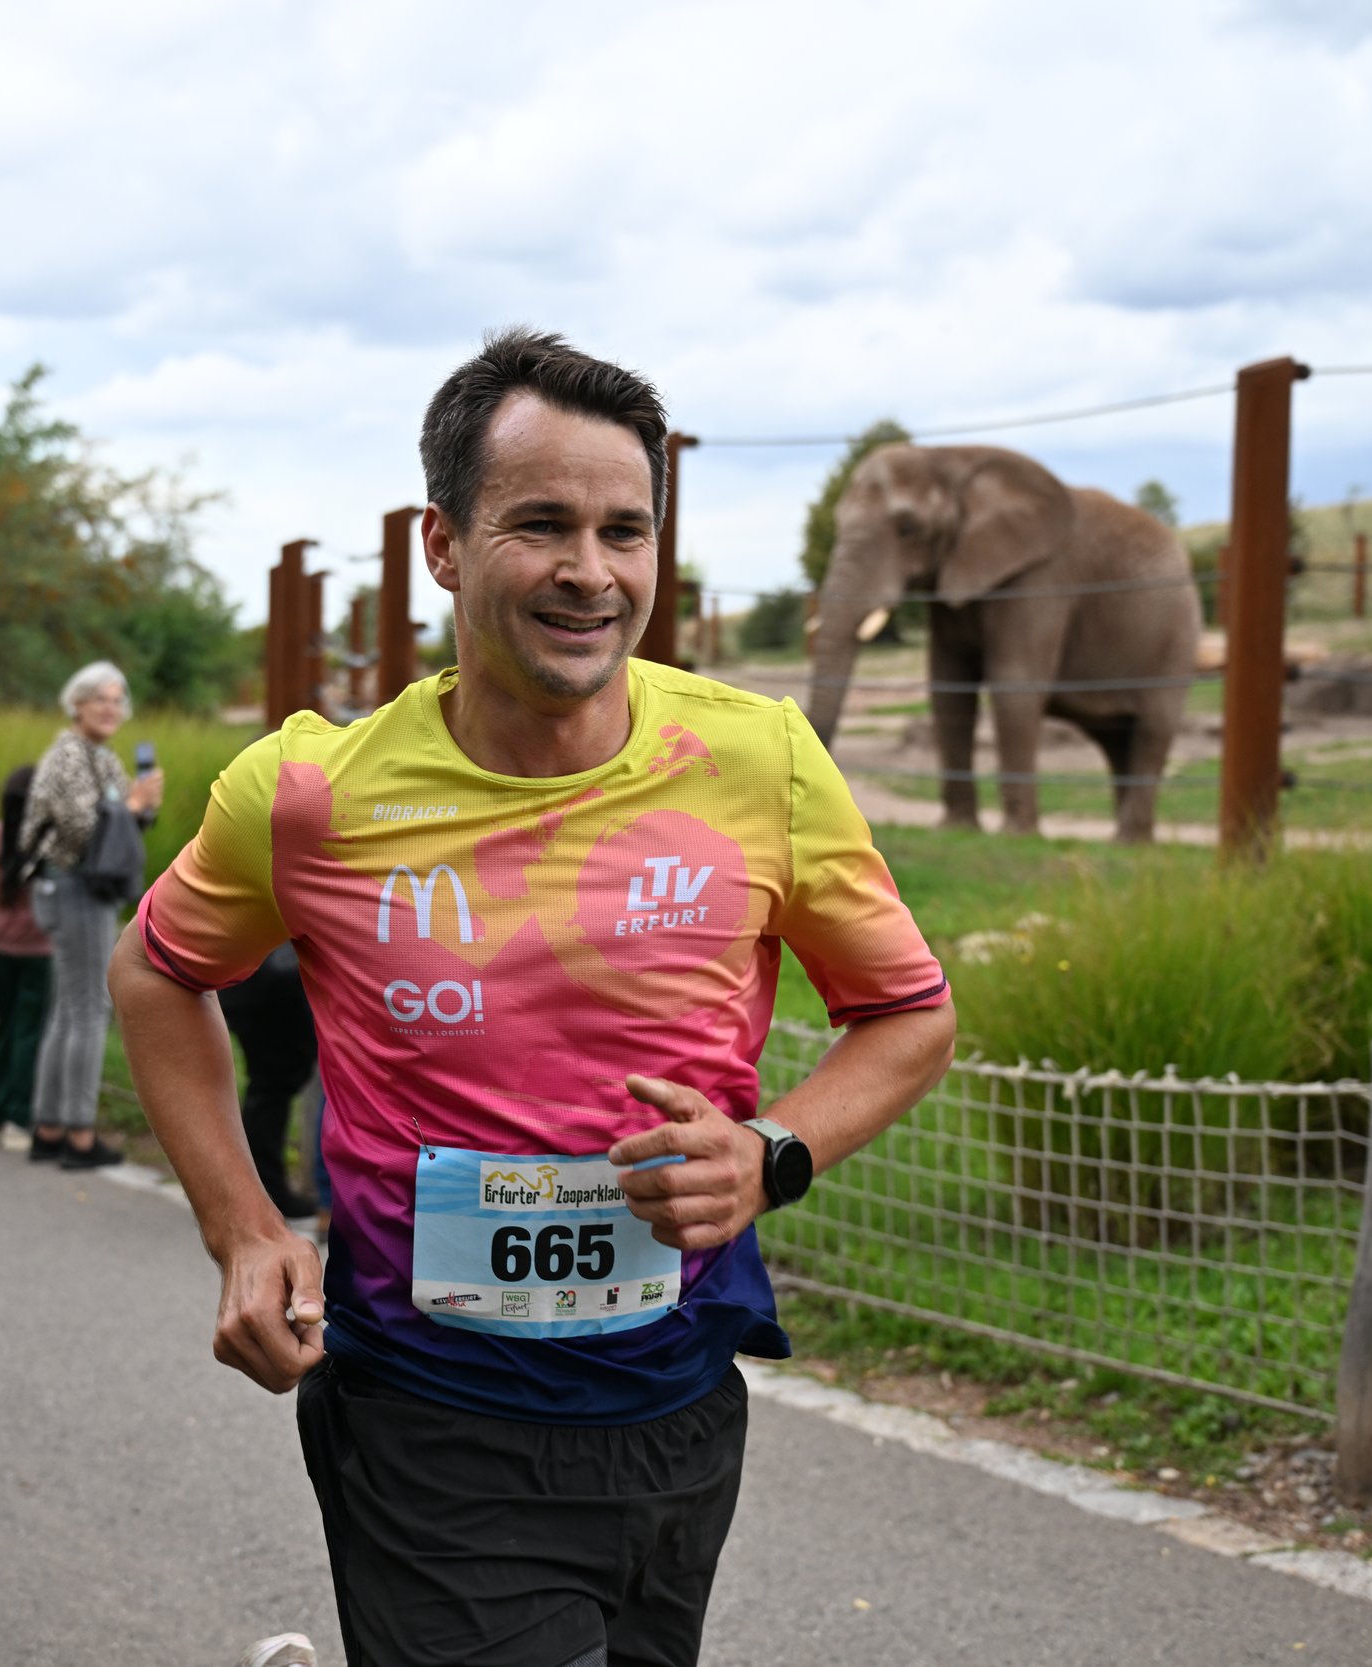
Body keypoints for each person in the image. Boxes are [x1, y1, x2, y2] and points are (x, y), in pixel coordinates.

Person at [110, 330, 955, 1667]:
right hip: (425, 1414)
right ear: (443, 544)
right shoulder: (311, 794)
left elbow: (910, 1011)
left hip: (676, 1409)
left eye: (626, 529)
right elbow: (156, 969)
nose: (590, 570)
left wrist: (772, 1151)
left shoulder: (760, 760)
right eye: (542, 523)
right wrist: (243, 1225)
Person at [19, 661, 162, 1171]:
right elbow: (83, 828)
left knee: (69, 1007)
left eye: (117, 699)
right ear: (76, 703)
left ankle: (50, 1126)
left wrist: (142, 805)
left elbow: (122, 824)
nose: (110, 707)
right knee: (87, 1009)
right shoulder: (68, 755)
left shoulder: (100, 756)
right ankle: (78, 1134)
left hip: (83, 889)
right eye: (99, 698)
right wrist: (134, 801)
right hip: (73, 888)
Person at [0, 765, 53, 1154]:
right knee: (29, 1032)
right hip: (39, 951)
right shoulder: (47, 839)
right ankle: (19, 1119)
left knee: (3, 1028)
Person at [216, 943, 319, 1220]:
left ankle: (255, 1188)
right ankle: (265, 1191)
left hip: (244, 974)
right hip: (272, 983)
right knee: (272, 1086)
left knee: (267, 1086)